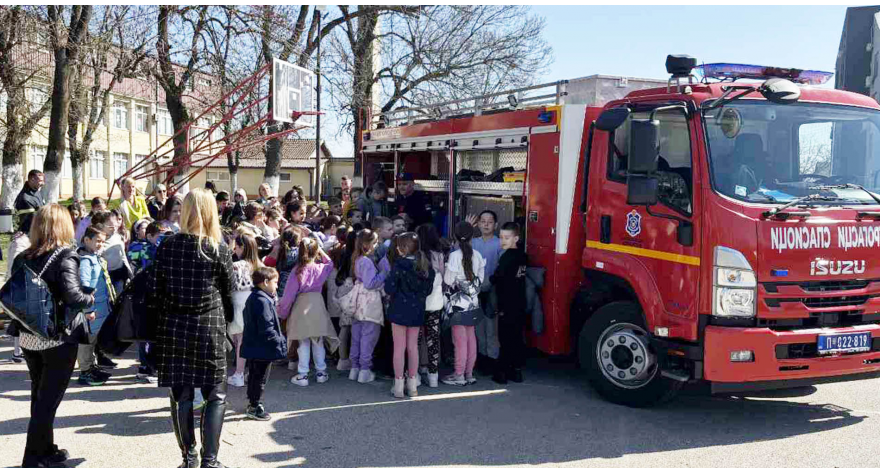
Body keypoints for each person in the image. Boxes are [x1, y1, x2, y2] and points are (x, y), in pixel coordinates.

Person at [147, 188, 234, 468]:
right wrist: (227, 324)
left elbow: (155, 291)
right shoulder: (217, 248)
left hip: (174, 327)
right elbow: (228, 294)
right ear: (212, 212)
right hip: (210, 328)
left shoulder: (167, 246)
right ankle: (210, 459)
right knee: (215, 395)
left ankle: (189, 456)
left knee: (181, 396)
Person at [13, 204, 94, 468]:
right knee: (48, 401)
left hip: (28, 336)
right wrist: (90, 298)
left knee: (40, 396)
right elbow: (74, 296)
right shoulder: (65, 255)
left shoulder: (23, 256)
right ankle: (33, 458)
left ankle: (46, 449)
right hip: (57, 338)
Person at [278, 238, 337, 386]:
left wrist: (282, 312)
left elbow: (288, 295)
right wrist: (320, 250)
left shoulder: (297, 270)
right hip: (317, 304)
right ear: (315, 251)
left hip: (301, 306)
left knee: (303, 341)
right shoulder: (321, 268)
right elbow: (330, 262)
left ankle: (303, 375)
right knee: (318, 341)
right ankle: (321, 372)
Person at [384, 233, 434, 398]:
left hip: (398, 310)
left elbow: (389, 288)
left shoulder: (399, 265)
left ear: (402, 248)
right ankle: (412, 385)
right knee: (413, 348)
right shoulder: (426, 266)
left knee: (399, 348)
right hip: (417, 310)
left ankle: (398, 386)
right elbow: (428, 290)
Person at [7, 170, 45, 365]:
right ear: (30, 179)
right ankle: (16, 351)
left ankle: (27, 348)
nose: (42, 183)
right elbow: (30, 221)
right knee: (19, 307)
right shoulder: (24, 198)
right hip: (23, 245)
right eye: (39, 180)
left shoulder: (37, 194)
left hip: (31, 244)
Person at [442, 221, 486, 387]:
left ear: (455, 237)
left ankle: (458, 374)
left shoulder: (454, 256)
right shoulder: (478, 255)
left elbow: (448, 280)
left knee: (459, 341)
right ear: (472, 236)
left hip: (458, 304)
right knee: (470, 339)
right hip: (473, 302)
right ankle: (469, 373)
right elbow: (481, 279)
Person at [240, 266, 286, 421]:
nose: (277, 285)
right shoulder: (261, 301)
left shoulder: (257, 297)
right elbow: (267, 327)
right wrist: (280, 341)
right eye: (275, 282)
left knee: (255, 375)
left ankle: (253, 402)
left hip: (256, 346)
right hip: (262, 347)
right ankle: (254, 406)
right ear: (265, 282)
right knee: (259, 378)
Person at [76, 226, 116, 387]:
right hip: (92, 310)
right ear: (87, 240)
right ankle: (85, 371)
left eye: (103, 241)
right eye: (97, 241)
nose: (101, 244)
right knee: (87, 341)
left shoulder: (95, 257)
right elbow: (85, 286)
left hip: (100, 308)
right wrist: (88, 310)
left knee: (93, 340)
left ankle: (91, 366)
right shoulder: (86, 261)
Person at [347, 229, 389, 384]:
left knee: (357, 336)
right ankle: (365, 369)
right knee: (369, 336)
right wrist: (384, 272)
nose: (377, 244)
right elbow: (371, 283)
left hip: (358, 302)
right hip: (370, 303)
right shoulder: (367, 261)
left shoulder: (358, 259)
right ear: (367, 244)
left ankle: (355, 367)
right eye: (375, 242)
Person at [490, 222, 528, 384]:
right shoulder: (523, 256)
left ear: (516, 238)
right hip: (520, 302)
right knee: (517, 337)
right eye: (501, 237)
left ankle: (502, 373)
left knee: (505, 339)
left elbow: (499, 278)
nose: (503, 241)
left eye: (507, 237)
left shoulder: (506, 257)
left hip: (506, 304)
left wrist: (491, 278)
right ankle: (516, 371)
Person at [467, 210, 503, 374]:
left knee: (492, 328)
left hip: (493, 291)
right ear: (478, 224)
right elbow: (456, 252)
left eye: (490, 221)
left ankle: (493, 359)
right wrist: (467, 228)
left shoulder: (500, 243)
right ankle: (481, 358)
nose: (486, 224)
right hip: (475, 291)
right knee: (478, 327)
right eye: (483, 221)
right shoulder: (473, 242)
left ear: (496, 225)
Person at [227, 233, 263, 388]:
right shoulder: (259, 264)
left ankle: (239, 374)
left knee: (240, 341)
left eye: (236, 246)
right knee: (248, 340)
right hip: (255, 301)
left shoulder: (237, 265)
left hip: (239, 301)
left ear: (242, 247)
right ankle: (248, 372)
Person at [416, 223, 446, 387]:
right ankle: (433, 374)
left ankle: (417, 373)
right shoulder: (438, 255)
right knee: (433, 338)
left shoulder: (417, 255)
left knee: (416, 339)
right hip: (435, 302)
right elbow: (442, 275)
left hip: (418, 303)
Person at [327, 227, 354, 371]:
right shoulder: (350, 257)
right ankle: (344, 358)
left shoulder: (333, 272)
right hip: (348, 298)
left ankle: (340, 357)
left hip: (337, 300)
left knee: (341, 329)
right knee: (347, 330)